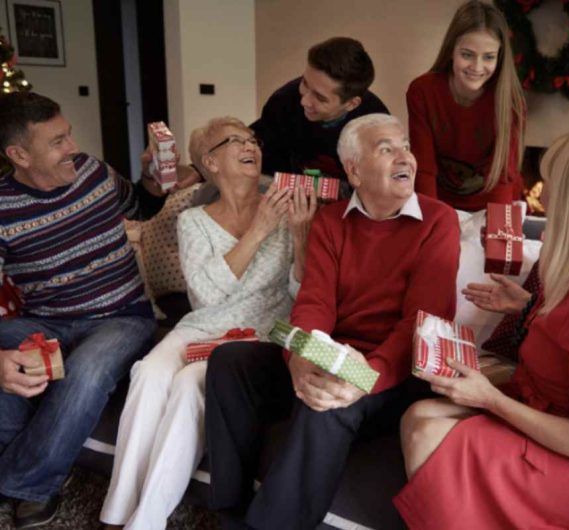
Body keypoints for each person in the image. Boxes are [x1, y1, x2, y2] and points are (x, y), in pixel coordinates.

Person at [394, 128, 569, 529]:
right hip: (554, 415)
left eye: (553, 185)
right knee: (419, 415)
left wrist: (490, 399)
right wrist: (527, 308)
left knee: (426, 434)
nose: (540, 197)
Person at [204, 113, 460, 530]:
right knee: (230, 362)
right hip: (335, 352)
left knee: (324, 406)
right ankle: (228, 511)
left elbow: (422, 321)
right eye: (387, 149)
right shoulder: (331, 221)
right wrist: (301, 359)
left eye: (406, 147)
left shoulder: (438, 220)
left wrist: (364, 377)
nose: (405, 158)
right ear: (354, 170)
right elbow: (313, 302)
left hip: (394, 370)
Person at [100, 117, 316, 530]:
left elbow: (300, 291)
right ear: (210, 162)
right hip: (202, 325)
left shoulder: (289, 212)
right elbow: (206, 296)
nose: (250, 144)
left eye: (253, 138)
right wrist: (258, 230)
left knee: (187, 386)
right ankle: (116, 509)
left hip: (258, 333)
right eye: (235, 141)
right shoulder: (193, 220)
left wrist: (302, 234)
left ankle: (144, 522)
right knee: (148, 373)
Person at [0, 91, 158, 529]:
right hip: (47, 321)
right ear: (19, 154)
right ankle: (18, 460)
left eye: (68, 135)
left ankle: (26, 482)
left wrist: (152, 180)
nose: (73, 147)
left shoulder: (94, 172)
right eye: (57, 142)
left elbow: (143, 206)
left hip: (122, 316)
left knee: (87, 369)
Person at [407, 0, 526, 211]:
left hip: (493, 205)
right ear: (452, 49)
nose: (477, 67)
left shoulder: (511, 102)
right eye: (467, 54)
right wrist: (433, 221)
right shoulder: (422, 91)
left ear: (499, 57)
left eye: (488, 57)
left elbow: (503, 176)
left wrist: (496, 231)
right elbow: (424, 168)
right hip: (440, 202)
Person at [251, 36, 389, 183]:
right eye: (305, 83)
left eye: (320, 98)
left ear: (351, 104)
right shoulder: (283, 102)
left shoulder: (377, 128)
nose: (304, 101)